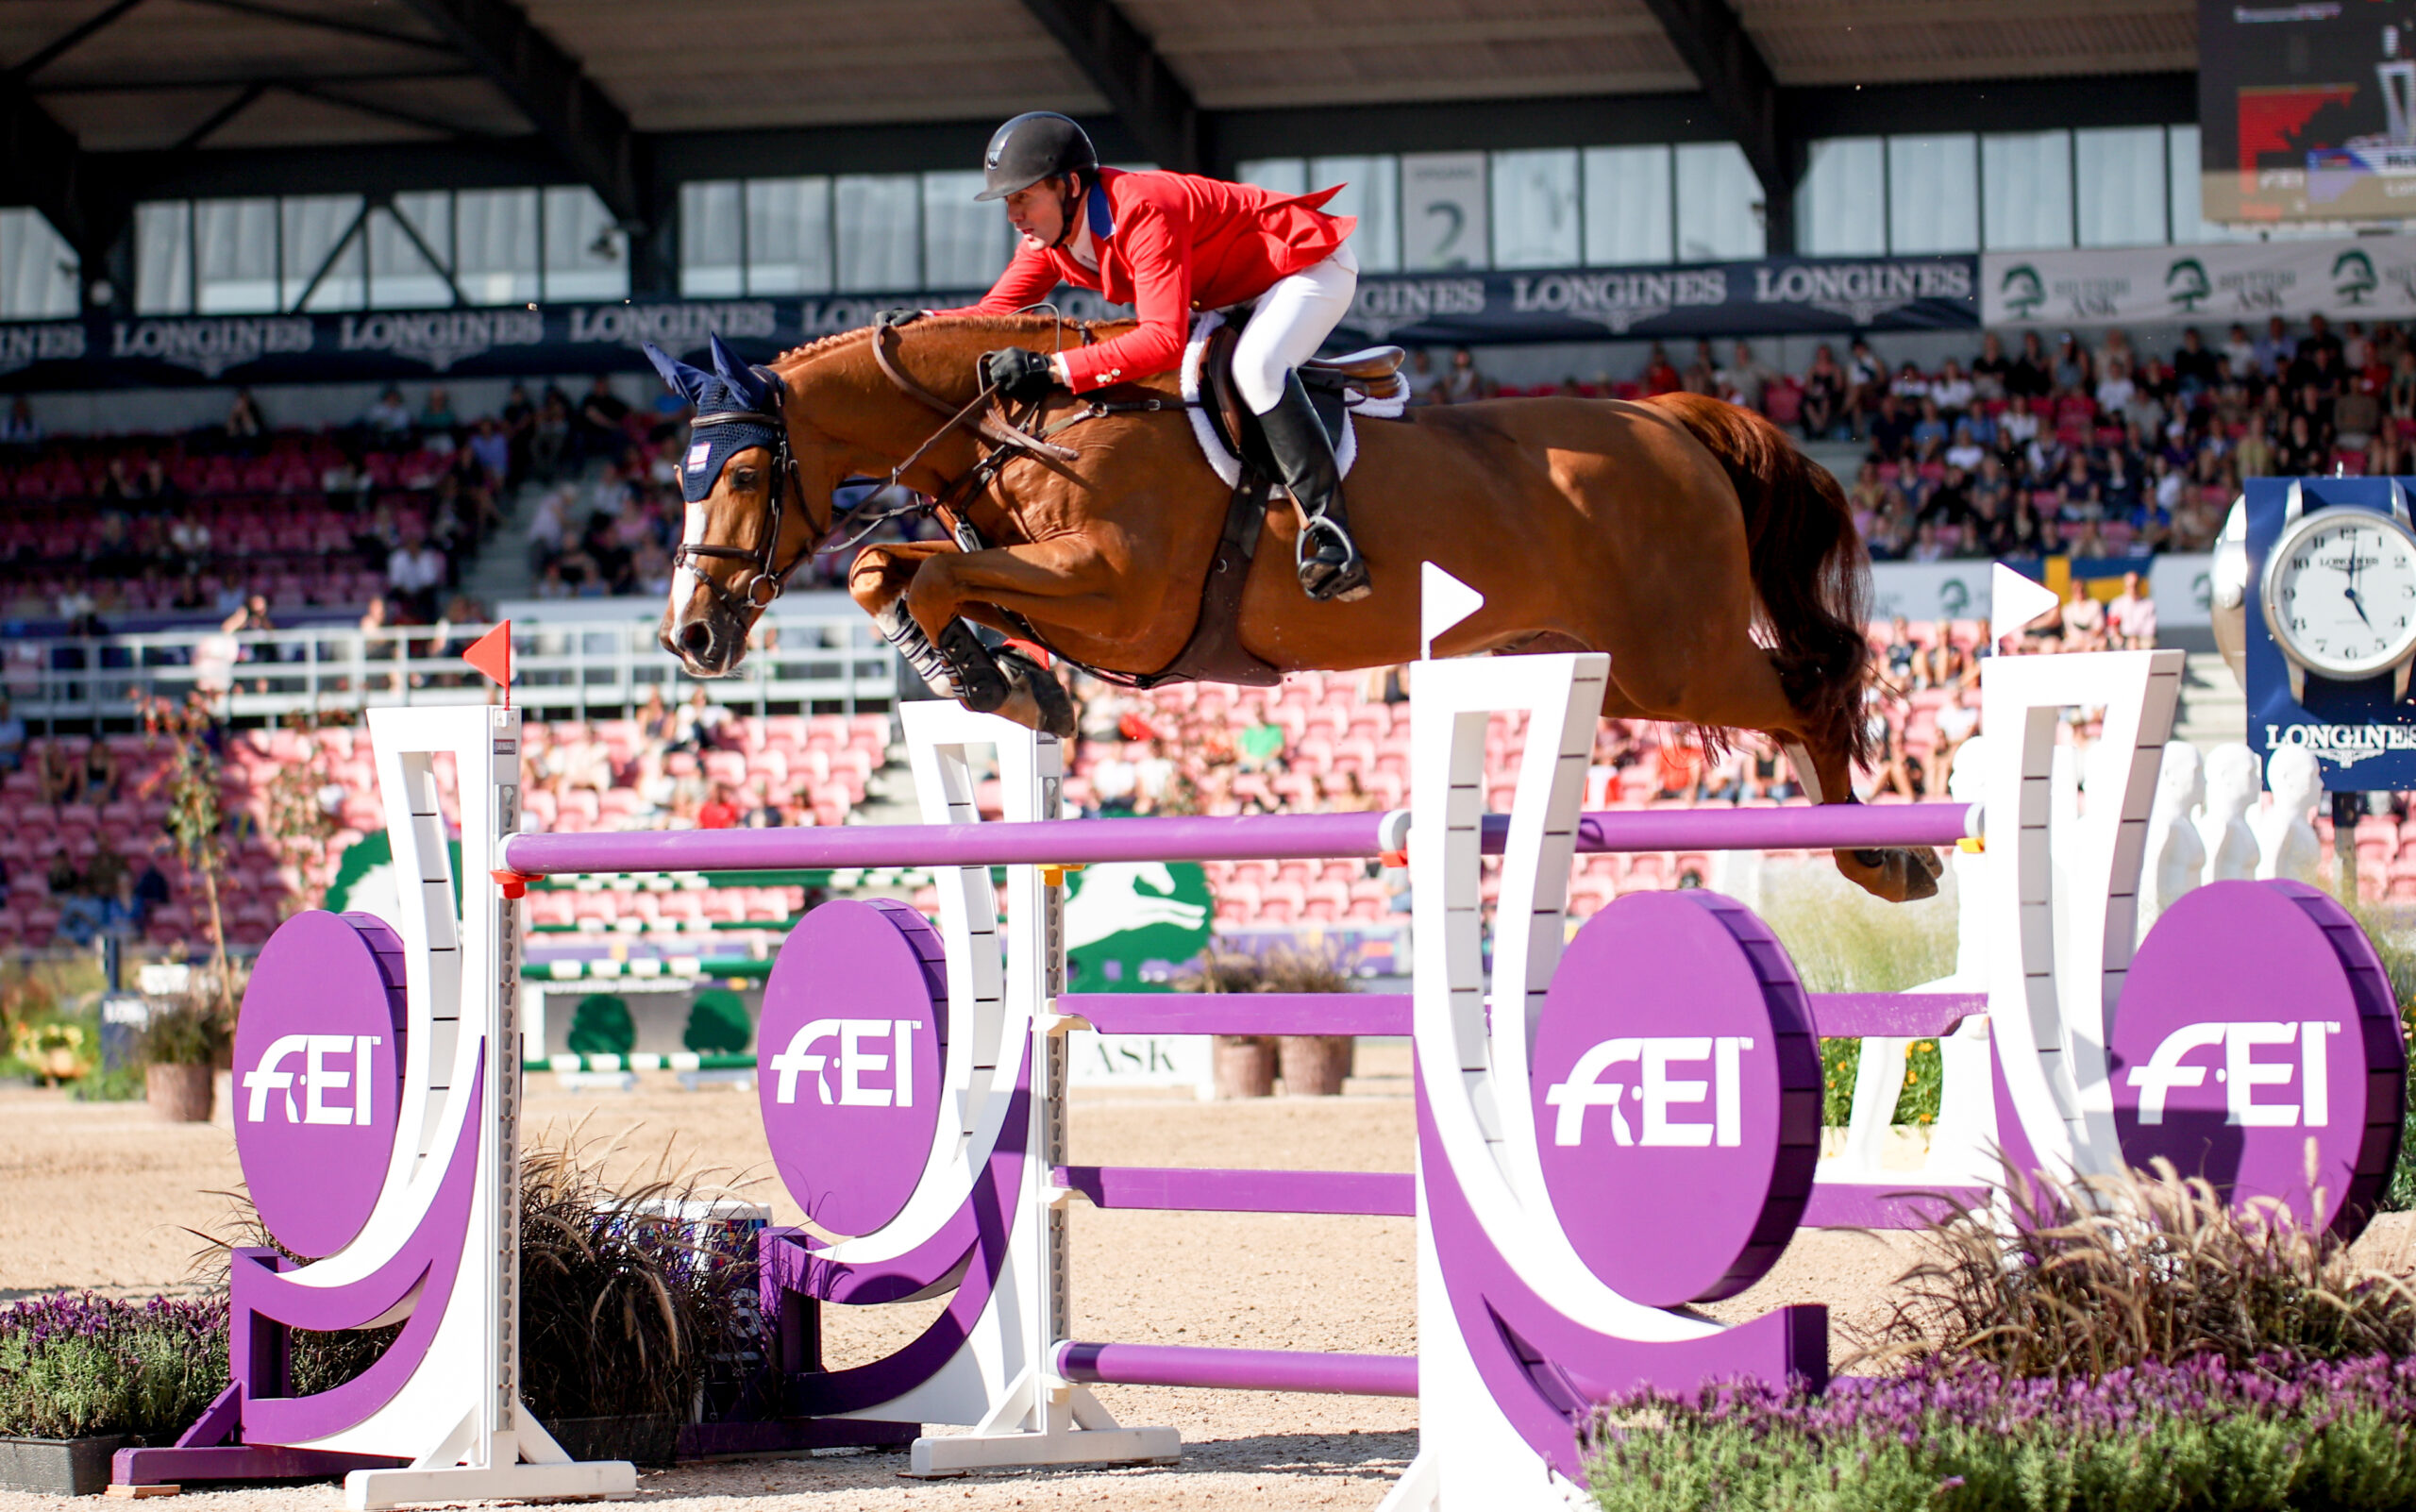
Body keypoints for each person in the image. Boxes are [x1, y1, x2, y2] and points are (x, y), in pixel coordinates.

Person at [932, 112, 1370, 600]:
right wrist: (923, 327)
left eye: (1022, 197)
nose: (1014, 214)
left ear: (1069, 186)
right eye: (1008, 202)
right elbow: (991, 316)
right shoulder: (1048, 240)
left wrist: (1054, 368)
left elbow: (1162, 339)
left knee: (1256, 368)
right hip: (1230, 293)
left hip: (1303, 267)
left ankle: (1330, 535)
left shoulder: (1141, 208)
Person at [2107, 571, 2157, 650]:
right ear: (2125, 586)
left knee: (2147, 643)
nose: (2133, 588)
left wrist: (2135, 638)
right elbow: (2113, 626)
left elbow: (2150, 629)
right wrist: (2122, 637)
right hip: (2123, 639)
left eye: (2135, 585)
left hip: (2142, 639)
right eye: (2130, 586)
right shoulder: (2117, 604)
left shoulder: (2148, 605)